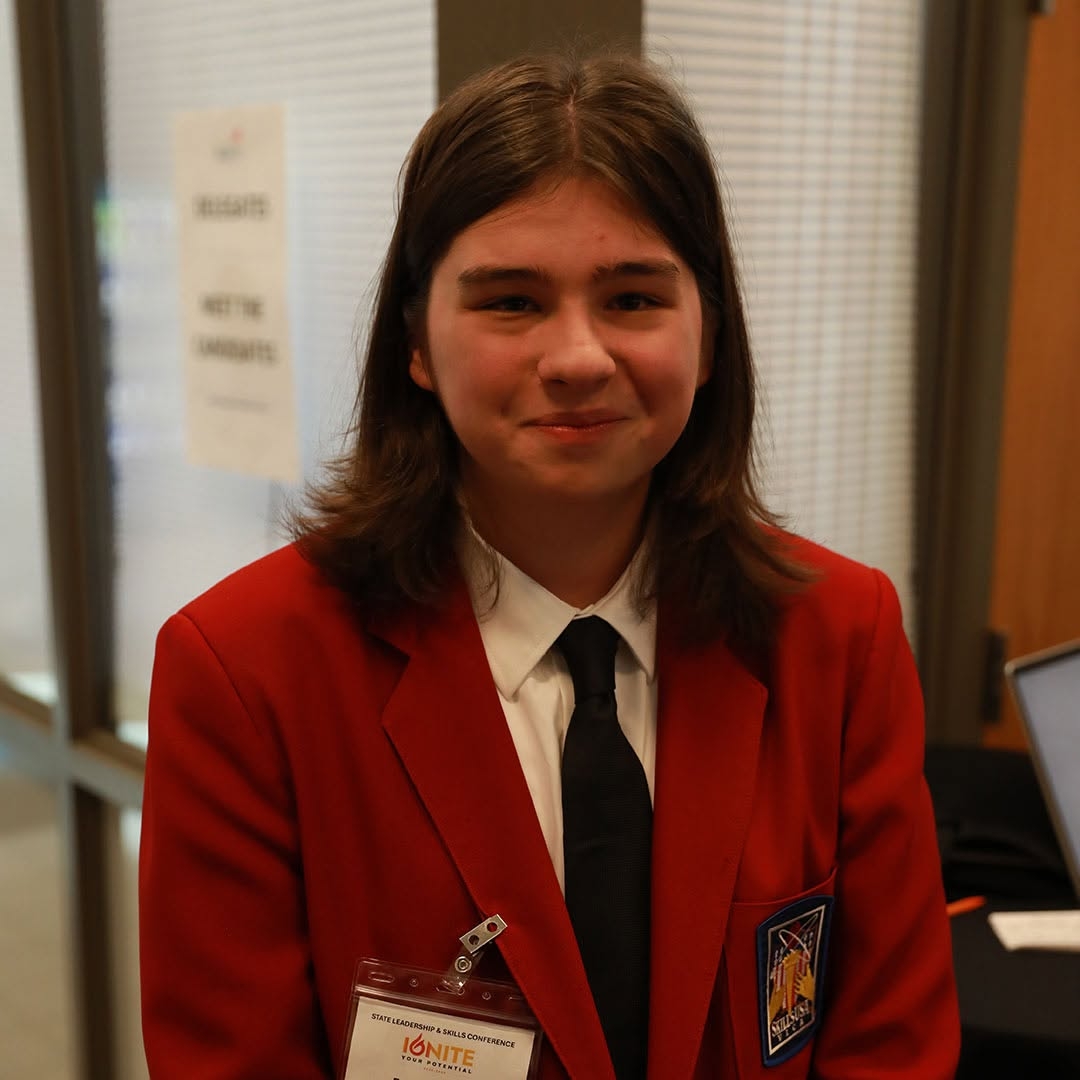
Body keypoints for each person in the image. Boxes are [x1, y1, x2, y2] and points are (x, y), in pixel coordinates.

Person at [139, 51, 960, 1079]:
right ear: (415, 342)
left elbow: (892, 1046)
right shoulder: (244, 673)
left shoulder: (838, 634)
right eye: (512, 302)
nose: (577, 357)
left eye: (633, 298)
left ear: (709, 337)